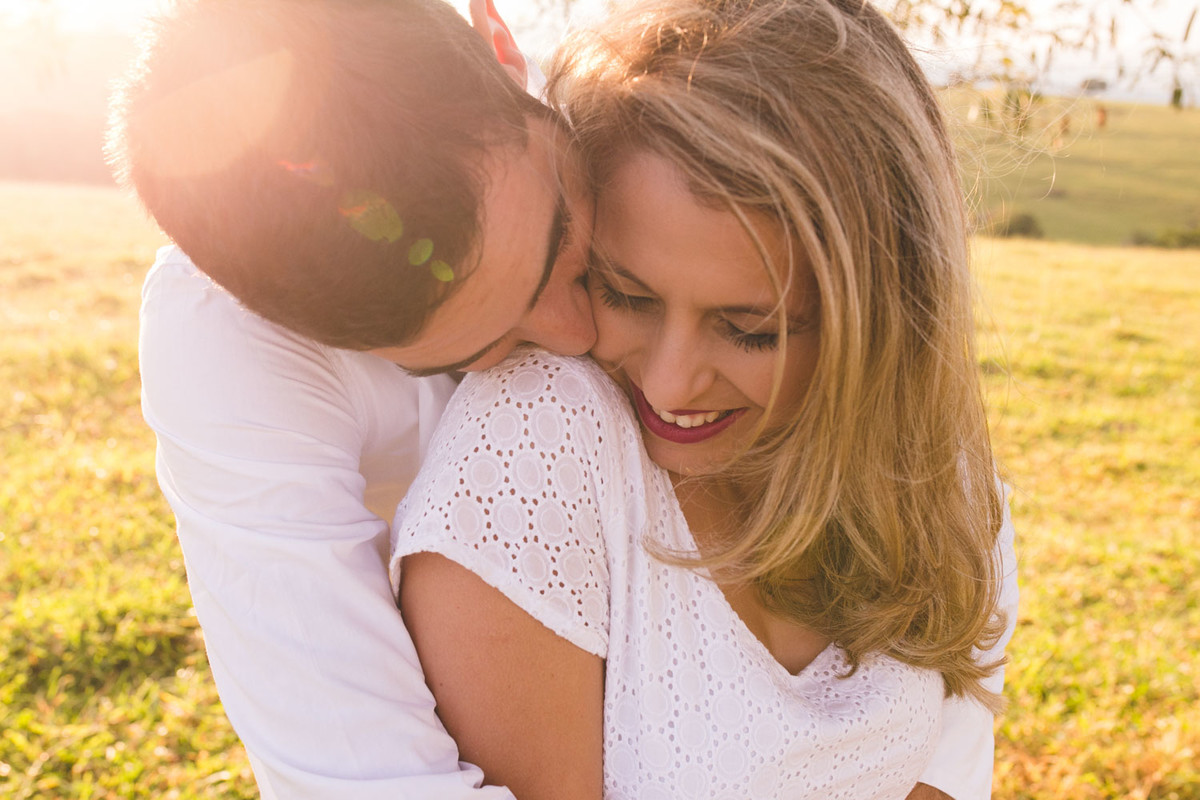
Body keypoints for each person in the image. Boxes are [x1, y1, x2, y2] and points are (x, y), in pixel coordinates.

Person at [392, 1, 1019, 798]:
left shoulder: (941, 481)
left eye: (750, 329)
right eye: (625, 293)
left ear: (885, 323)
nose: (670, 382)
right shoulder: (535, 447)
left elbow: (945, 776)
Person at [109, 0, 595, 796]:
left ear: (499, 42)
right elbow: (364, 778)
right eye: (487, 350)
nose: (580, 337)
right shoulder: (227, 344)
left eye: (564, 243)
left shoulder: (648, 115)